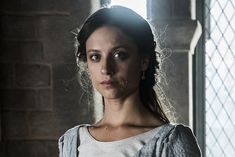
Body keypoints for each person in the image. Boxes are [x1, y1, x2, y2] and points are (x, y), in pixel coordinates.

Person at [58, 5, 201, 157]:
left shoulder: (171, 141)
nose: (106, 69)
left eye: (119, 54)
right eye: (95, 57)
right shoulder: (72, 142)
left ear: (144, 61)